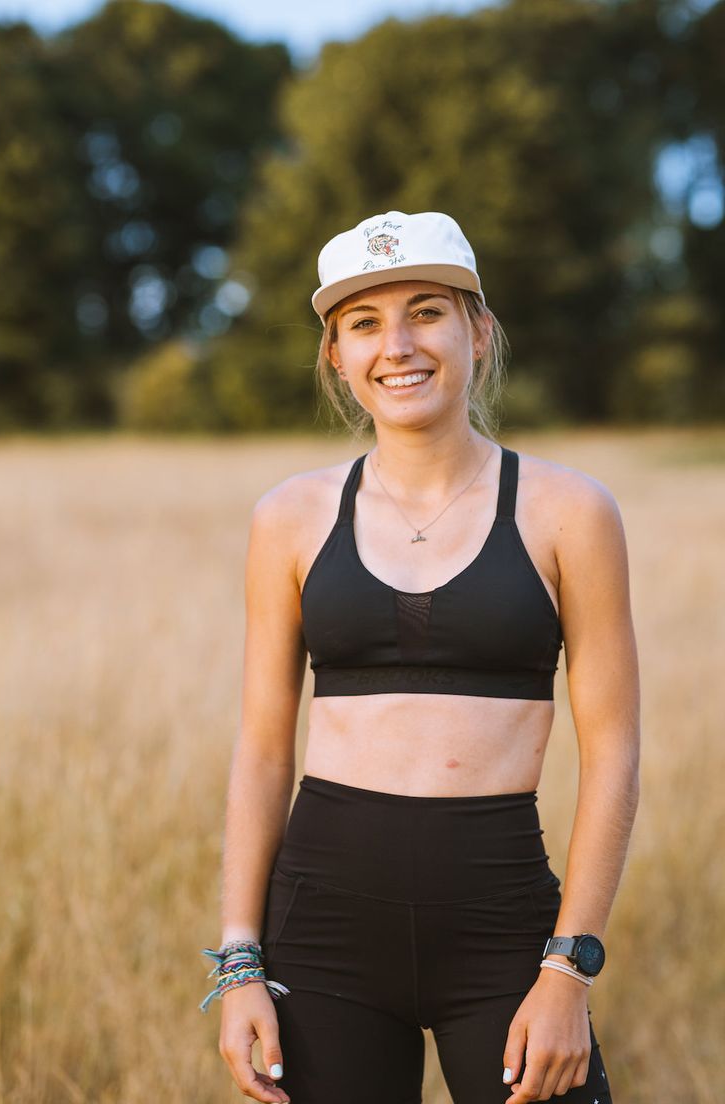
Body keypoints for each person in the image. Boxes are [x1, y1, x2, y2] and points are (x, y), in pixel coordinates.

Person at [201, 210, 641, 1104]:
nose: (397, 345)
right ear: (336, 356)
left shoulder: (569, 511)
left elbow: (616, 753)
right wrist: (241, 961)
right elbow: (262, 749)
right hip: (319, 931)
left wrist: (570, 971)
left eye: (427, 311)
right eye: (364, 323)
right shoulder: (289, 516)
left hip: (504, 923)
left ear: (479, 329)